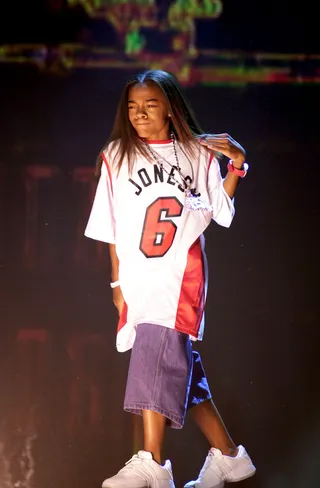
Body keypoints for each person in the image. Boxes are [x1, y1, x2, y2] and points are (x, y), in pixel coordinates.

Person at [84, 69, 256, 488]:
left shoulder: (198, 153)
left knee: (153, 356)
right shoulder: (117, 155)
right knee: (178, 369)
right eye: (132, 106)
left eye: (150, 104)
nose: (139, 114)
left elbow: (222, 212)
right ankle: (230, 457)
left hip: (180, 275)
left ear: (171, 107)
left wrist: (237, 163)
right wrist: (116, 283)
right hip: (139, 277)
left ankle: (153, 461)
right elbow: (110, 226)